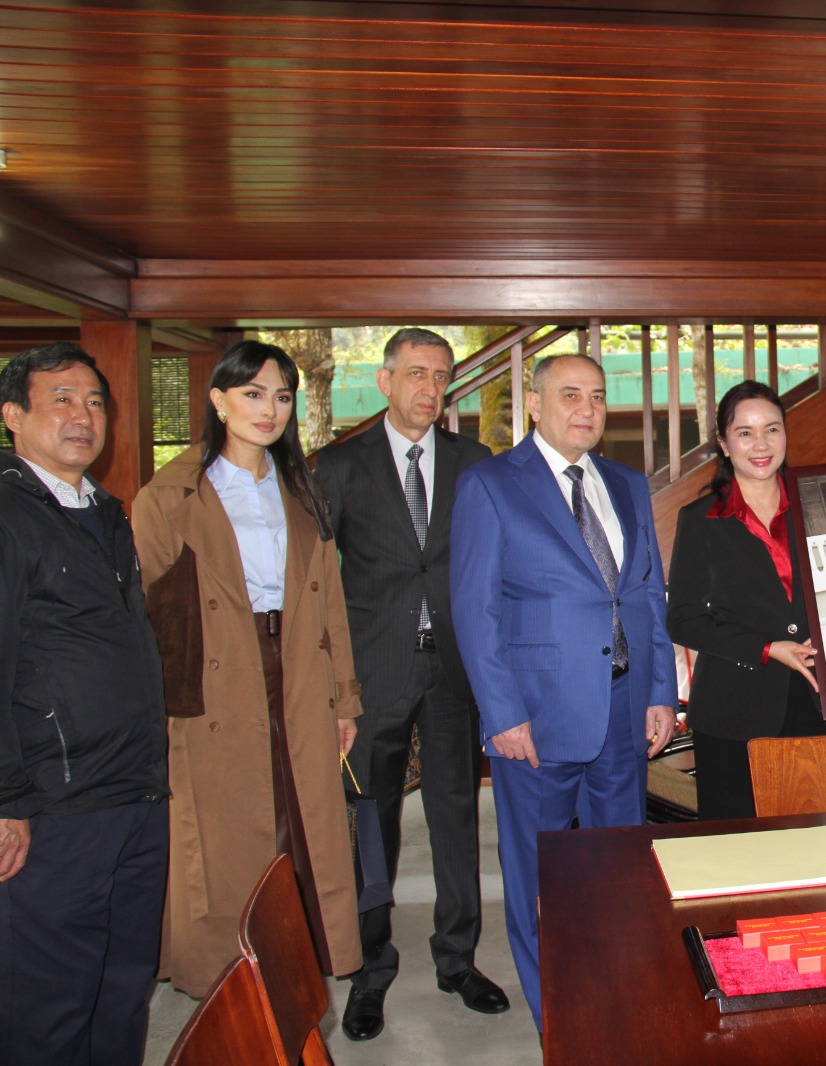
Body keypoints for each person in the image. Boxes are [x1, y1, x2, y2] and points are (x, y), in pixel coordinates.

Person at [132, 339, 363, 997]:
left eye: (282, 397)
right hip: (217, 677)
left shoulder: (300, 488)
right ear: (218, 400)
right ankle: (233, 984)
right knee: (228, 835)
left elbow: (330, 605)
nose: (269, 410)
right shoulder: (170, 494)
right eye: (253, 394)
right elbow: (149, 617)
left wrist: (345, 698)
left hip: (299, 671)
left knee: (303, 827)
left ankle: (293, 972)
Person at [451, 353, 676, 1028]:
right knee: (539, 877)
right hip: (535, 721)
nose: (587, 408)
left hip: (623, 711)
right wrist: (501, 714)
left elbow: (646, 593)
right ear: (534, 403)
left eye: (597, 396)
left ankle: (617, 1005)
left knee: (619, 869)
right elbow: (475, 611)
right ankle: (560, 1023)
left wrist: (660, 691)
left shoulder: (626, 484)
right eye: (570, 394)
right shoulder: (491, 484)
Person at [315, 328, 504, 1041]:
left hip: (453, 670)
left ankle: (458, 960)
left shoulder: (472, 462)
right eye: (417, 373)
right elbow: (314, 581)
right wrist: (331, 683)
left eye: (442, 376)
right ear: (386, 381)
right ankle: (370, 969)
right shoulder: (340, 465)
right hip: (374, 675)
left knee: (456, 818)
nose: (430, 388)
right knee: (372, 825)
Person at [0, 343, 169, 1066]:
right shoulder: (10, 513)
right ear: (13, 415)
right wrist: (6, 801)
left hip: (136, 790)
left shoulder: (104, 510)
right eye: (62, 400)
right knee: (50, 1002)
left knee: (123, 983)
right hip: (56, 805)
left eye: (95, 401)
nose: (83, 416)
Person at [667, 380, 826, 821]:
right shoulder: (701, 519)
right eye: (744, 432)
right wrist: (766, 648)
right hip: (733, 712)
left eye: (772, 429)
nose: (760, 444)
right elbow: (683, 619)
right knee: (737, 845)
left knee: (817, 838)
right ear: (724, 445)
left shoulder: (820, 501)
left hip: (816, 702)